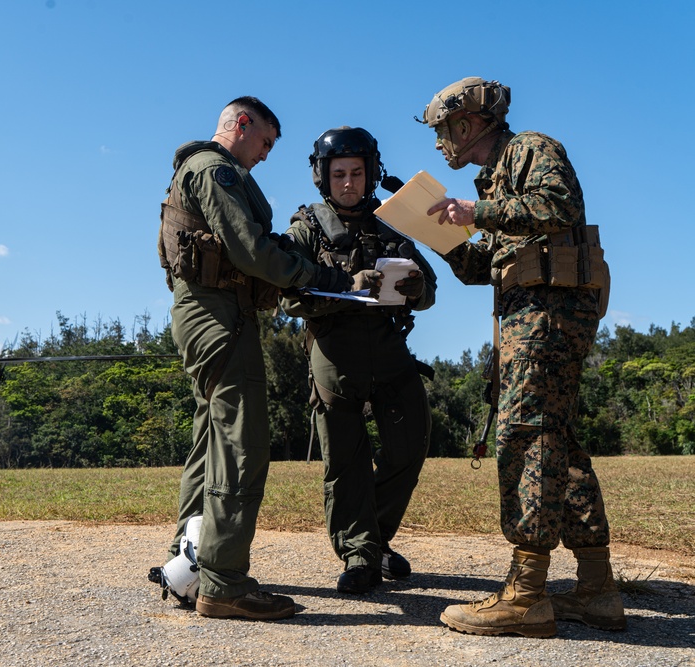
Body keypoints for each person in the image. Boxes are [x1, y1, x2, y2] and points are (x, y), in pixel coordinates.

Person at [417, 77, 621, 637]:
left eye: (442, 131)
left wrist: (475, 210)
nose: (439, 144)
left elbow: (559, 204)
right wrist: (442, 238)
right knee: (560, 443)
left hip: (548, 320)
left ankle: (526, 595)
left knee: (525, 436)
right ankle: (597, 590)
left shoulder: (532, 148)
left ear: (467, 124)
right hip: (534, 321)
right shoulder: (495, 179)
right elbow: (485, 266)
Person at [154, 97, 352, 620]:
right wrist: (321, 276)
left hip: (214, 315)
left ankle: (188, 566)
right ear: (241, 124)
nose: (265, 155)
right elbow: (249, 250)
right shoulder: (214, 169)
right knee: (243, 445)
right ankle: (223, 583)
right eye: (265, 142)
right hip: (219, 318)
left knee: (212, 441)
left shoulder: (203, 171)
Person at [279, 127, 436, 595]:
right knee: (345, 461)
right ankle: (360, 554)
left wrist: (417, 290)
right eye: (339, 174)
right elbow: (288, 298)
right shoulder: (305, 227)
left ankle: (375, 537)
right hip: (334, 354)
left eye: (357, 173)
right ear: (322, 177)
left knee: (410, 443)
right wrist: (351, 286)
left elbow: (427, 287)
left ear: (371, 175)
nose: (348, 183)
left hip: (389, 350)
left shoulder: (392, 222)